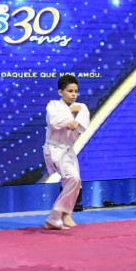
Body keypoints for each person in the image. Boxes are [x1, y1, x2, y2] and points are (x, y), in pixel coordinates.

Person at [43, 75, 90, 230]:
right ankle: (57, 216)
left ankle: (62, 215)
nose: (73, 94)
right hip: (55, 149)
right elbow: (54, 122)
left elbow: (78, 125)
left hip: (68, 150)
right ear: (60, 92)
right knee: (73, 178)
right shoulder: (53, 105)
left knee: (75, 181)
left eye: (76, 91)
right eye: (70, 91)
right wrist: (70, 112)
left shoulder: (81, 107)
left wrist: (74, 119)